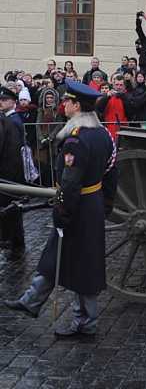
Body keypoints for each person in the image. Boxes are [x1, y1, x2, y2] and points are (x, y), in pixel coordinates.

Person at [4, 79, 117, 338]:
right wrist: (106, 204)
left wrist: (62, 213)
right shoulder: (103, 135)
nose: (63, 104)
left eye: (68, 101)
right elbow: (112, 173)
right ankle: (31, 300)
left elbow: (70, 183)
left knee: (83, 265)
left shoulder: (76, 141)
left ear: (77, 106)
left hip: (77, 209)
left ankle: (85, 323)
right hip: (93, 204)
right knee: (56, 254)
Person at [0, 86, 25, 251]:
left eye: (4, 100)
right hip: (10, 172)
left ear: (13, 102)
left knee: (10, 208)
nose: (1, 103)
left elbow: (14, 151)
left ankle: (13, 241)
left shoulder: (13, 121)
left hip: (10, 173)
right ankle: (14, 240)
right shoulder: (8, 119)